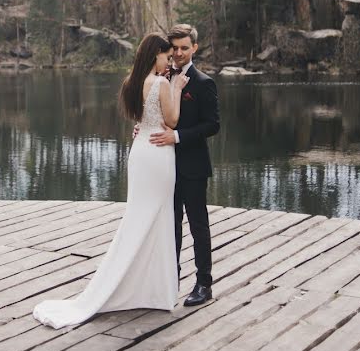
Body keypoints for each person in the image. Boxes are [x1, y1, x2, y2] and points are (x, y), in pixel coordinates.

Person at [33, 33, 189, 329]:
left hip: (141, 151)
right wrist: (178, 88)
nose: (169, 62)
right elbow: (173, 120)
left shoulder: (132, 82)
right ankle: (155, 290)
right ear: (155, 54)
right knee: (157, 219)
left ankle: (144, 287)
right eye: (166, 56)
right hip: (158, 154)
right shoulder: (162, 82)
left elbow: (141, 119)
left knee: (139, 218)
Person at [149, 24, 220, 307]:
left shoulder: (203, 83)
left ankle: (204, 284)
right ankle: (170, 281)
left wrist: (176, 136)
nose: (178, 53)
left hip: (192, 167)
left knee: (198, 226)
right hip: (163, 166)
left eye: (184, 48)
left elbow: (213, 125)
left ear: (194, 48)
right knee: (170, 225)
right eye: (174, 48)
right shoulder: (160, 78)